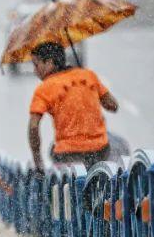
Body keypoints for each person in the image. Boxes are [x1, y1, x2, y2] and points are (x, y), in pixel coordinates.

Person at [28, 42, 119, 170]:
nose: (34, 71)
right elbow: (113, 106)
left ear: (49, 63)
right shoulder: (88, 75)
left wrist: (38, 162)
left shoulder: (44, 88)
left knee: (53, 152)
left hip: (68, 154)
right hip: (99, 150)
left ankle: (64, 188)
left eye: (36, 65)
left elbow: (33, 126)